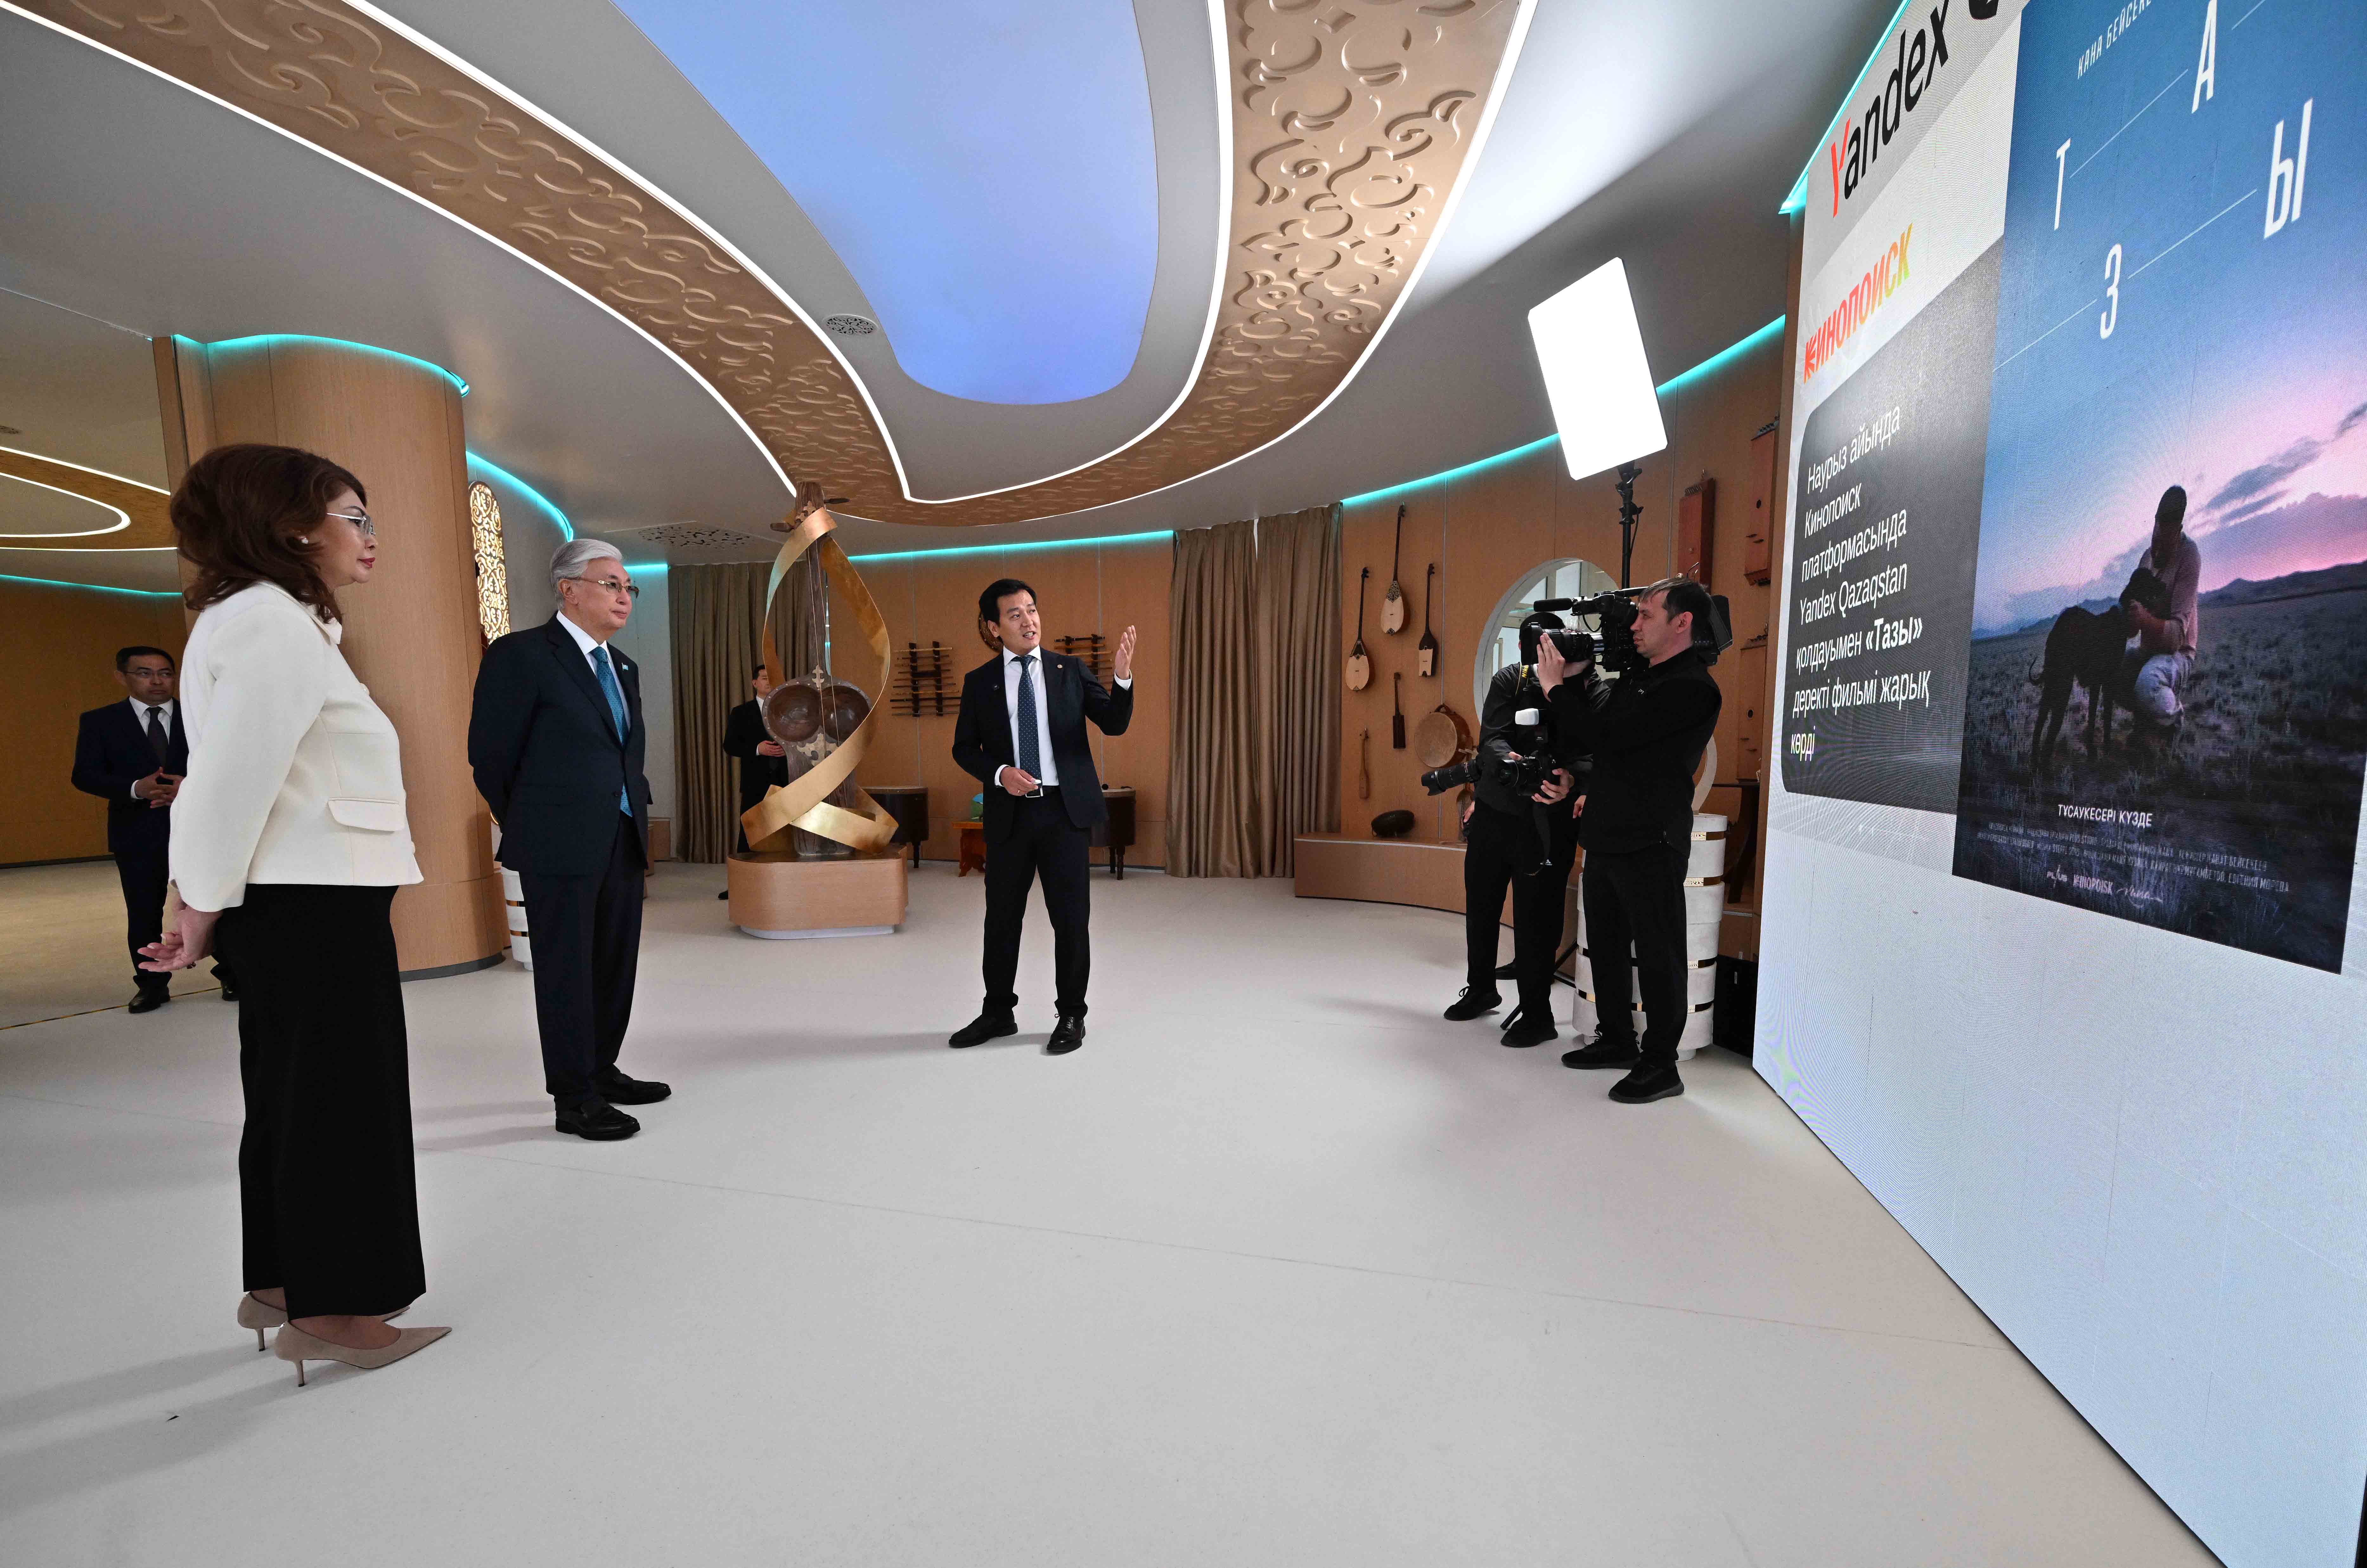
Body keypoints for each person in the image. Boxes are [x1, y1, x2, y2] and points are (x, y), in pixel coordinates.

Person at [138, 442, 448, 1383]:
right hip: (314, 904)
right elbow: (229, 782)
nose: (370, 537)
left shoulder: (255, 618)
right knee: (339, 1106)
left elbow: (226, 777)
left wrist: (201, 898)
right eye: (355, 517)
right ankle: (335, 1311)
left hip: (295, 902)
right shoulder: (271, 622)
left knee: (291, 1097)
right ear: (292, 526)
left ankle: (282, 1283)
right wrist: (196, 904)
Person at [468, 538, 667, 1141]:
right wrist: (536, 822)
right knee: (566, 972)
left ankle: (601, 1069)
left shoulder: (622, 666)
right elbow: (490, 757)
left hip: (622, 835)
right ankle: (574, 1097)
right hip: (557, 843)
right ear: (569, 589)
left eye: (629, 587)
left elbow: (623, 755)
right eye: (611, 584)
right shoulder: (523, 655)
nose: (624, 596)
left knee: (614, 964)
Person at [1538, 581, 1722, 1104]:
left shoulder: (1693, 688)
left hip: (1651, 840)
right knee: (1607, 946)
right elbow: (1600, 744)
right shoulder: (1640, 677)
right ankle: (1617, 1038)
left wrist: (1554, 689)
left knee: (1660, 955)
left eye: (1645, 616)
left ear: (1681, 622)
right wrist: (1574, 683)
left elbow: (1611, 739)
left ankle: (1661, 1065)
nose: (1634, 626)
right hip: (1607, 833)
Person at [948, 579, 1135, 1054]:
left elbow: (1114, 723)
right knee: (1001, 920)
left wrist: (1122, 679)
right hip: (1009, 814)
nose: (1028, 620)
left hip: (1063, 813)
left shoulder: (1069, 670)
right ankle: (998, 1013)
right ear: (994, 627)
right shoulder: (979, 682)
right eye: (1014, 614)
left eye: (1031, 610)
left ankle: (1072, 1014)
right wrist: (1000, 773)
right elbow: (964, 749)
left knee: (1070, 920)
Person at [70, 645, 236, 1010]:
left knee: (215, 903)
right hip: (137, 831)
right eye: (144, 673)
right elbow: (84, 775)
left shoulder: (201, 714)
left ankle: (232, 975)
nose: (157, 681)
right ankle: (151, 984)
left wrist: (189, 788)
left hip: (200, 830)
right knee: (143, 911)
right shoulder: (100, 721)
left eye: (165, 673)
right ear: (122, 677)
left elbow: (229, 765)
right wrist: (135, 788)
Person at [1444, 613, 1581, 1048]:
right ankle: (1481, 988)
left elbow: (1588, 748)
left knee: (1536, 919)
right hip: (1493, 812)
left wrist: (1569, 777)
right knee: (1481, 906)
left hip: (1547, 820)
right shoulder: (1510, 679)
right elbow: (1492, 738)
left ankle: (1538, 1015)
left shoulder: (1579, 689)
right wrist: (1513, 763)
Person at [2121, 485, 2200, 739]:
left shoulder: (2189, 555)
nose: (2156, 552)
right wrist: (2130, 619)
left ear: (2178, 532)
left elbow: (2177, 637)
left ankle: (2174, 718)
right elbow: (2131, 631)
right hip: (2148, 652)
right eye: (2154, 540)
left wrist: (2145, 619)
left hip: (2178, 655)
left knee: (2148, 683)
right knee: (2110, 668)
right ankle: (2146, 721)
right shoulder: (2147, 557)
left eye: (2164, 544)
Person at [716, 661, 788, 895]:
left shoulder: (788, 711)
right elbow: (730, 746)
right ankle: (741, 887)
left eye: (772, 678)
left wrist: (788, 749)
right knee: (749, 834)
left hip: (785, 781)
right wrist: (758, 749)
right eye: (764, 678)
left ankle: (782, 884)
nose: (769, 682)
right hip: (755, 782)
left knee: (784, 833)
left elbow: (802, 741)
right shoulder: (741, 712)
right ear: (755, 683)